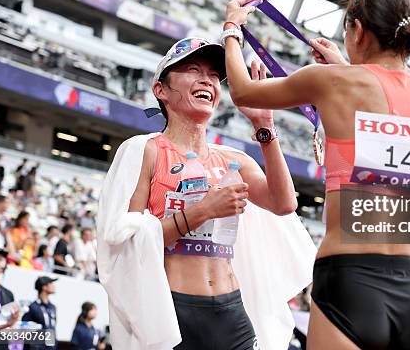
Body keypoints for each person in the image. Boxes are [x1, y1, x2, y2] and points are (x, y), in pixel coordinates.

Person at [223, 0, 410, 350]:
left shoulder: (331, 81)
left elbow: (243, 90)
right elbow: (391, 124)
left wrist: (232, 28)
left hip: (351, 279)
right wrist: (345, 68)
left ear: (359, 29)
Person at [97, 37, 316, 349]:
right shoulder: (143, 150)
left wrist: (265, 129)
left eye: (214, 76)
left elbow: (284, 204)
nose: (206, 79)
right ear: (160, 90)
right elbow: (125, 241)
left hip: (232, 312)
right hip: (173, 311)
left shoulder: (233, 160)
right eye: (191, 70)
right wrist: (202, 211)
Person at [22, 276, 57, 349]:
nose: (54, 286)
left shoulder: (52, 307)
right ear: (44, 287)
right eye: (51, 283)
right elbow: (24, 329)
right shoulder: (32, 307)